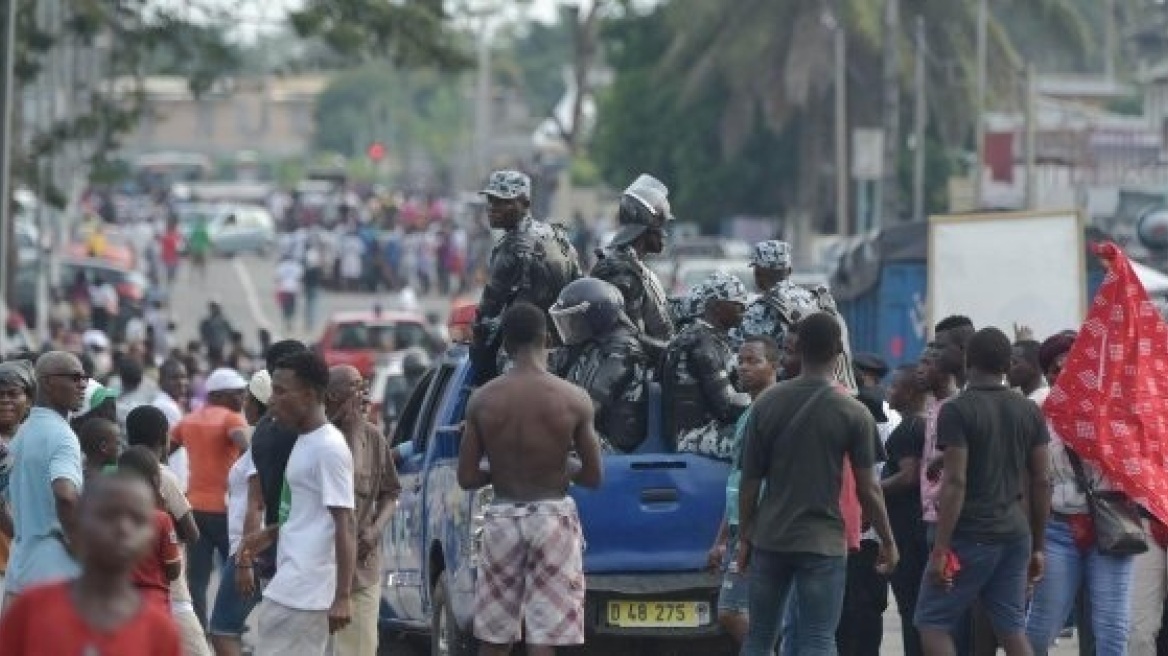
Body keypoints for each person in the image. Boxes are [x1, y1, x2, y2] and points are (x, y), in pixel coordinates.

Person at [736, 313, 896, 656]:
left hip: (771, 539)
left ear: (798, 349)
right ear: (839, 352)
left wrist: (745, 535)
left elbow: (750, 480)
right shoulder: (852, 412)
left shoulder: (767, 404)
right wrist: (887, 540)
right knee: (819, 638)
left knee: (760, 637)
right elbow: (869, 488)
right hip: (823, 543)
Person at [457, 302, 603, 656]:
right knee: (544, 637)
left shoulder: (482, 400)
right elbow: (593, 475)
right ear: (548, 339)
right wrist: (560, 466)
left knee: (494, 637)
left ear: (505, 345)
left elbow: (467, 476)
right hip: (553, 519)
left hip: (502, 518)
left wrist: (501, 468)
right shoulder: (573, 399)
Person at [915, 328, 1052, 656]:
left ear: (967, 360)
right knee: (1011, 629)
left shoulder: (958, 410)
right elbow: (1043, 479)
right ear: (1007, 365)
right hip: (1015, 535)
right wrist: (1038, 547)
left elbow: (956, 482)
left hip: (970, 535)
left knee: (932, 622)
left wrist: (940, 550)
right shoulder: (1027, 410)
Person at [239, 351, 356, 656]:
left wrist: (343, 596)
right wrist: (273, 532)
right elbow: (312, 516)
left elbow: (346, 523)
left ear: (308, 395)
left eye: (281, 391)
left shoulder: (329, 448)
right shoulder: (305, 440)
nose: (273, 400)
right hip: (290, 584)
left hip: (305, 592)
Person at [1026, 331, 1133, 656]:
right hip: (1058, 529)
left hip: (1111, 525)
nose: (1061, 373)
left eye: (1069, 364)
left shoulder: (1115, 401)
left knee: (1112, 629)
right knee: (1040, 630)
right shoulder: (1039, 406)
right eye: (1053, 368)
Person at [0, 472, 183, 655]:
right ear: (78, 522)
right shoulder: (32, 609)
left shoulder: (160, 631)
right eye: (108, 515)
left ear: (150, 537)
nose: (123, 528)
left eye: (137, 519)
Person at [469, 170, 581, 385]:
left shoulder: (512, 245)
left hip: (520, 354)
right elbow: (578, 285)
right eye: (491, 200)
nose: (492, 208)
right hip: (565, 352)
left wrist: (478, 359)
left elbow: (488, 310)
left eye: (503, 201)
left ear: (525, 202)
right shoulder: (558, 237)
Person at [707, 335, 779, 646]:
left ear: (773, 367)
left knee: (733, 611)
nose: (743, 367)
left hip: (758, 526)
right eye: (741, 360)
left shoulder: (773, 411)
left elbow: (763, 479)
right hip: (741, 525)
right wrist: (722, 538)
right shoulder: (750, 411)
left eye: (754, 361)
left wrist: (748, 533)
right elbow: (739, 479)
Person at [325, 365, 401, 656]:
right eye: (355, 386)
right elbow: (349, 484)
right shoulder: (318, 438)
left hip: (362, 571)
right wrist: (354, 429)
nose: (364, 392)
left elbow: (391, 493)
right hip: (321, 569)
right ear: (332, 395)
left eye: (365, 384)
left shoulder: (374, 437)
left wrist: (377, 529)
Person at [3, 352, 87, 611]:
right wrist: (79, 545)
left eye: (84, 377)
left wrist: (24, 533)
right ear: (49, 383)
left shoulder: (21, 435)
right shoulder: (62, 436)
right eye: (75, 377)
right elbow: (65, 496)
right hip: (55, 575)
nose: (82, 384)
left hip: (19, 570)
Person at [125, 404, 208, 656]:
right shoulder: (164, 477)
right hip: (172, 594)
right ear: (165, 437)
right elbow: (192, 533)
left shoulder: (119, 474)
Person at [170, 366, 250, 626]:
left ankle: (202, 629)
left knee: (197, 578)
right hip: (225, 512)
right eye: (237, 393)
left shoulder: (189, 420)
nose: (242, 399)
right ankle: (230, 627)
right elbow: (242, 442)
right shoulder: (231, 419)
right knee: (237, 573)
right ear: (220, 395)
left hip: (194, 510)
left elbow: (164, 449)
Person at [735, 240, 858, 391]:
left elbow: (741, 354)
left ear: (757, 273)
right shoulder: (818, 300)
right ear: (789, 271)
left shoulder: (759, 309)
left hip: (781, 393)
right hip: (825, 385)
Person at [548, 277, 650, 452]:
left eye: (574, 319)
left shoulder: (621, 352)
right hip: (590, 431)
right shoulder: (591, 343)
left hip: (613, 445)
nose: (570, 325)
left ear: (596, 317)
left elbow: (589, 407)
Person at [210, 371, 270, 656]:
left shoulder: (261, 447)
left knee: (222, 630)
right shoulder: (260, 440)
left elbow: (256, 504)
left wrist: (246, 559)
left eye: (247, 398)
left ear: (259, 405)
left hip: (251, 551)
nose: (243, 403)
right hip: (252, 548)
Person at [661, 271, 751, 460]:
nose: (745, 307)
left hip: (702, 430)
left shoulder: (703, 337)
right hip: (691, 436)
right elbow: (727, 407)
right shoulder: (702, 343)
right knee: (762, 438)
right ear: (718, 307)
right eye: (738, 303)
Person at [589, 174, 675, 363]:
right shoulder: (620, 273)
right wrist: (673, 352)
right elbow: (629, 338)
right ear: (646, 228)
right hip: (630, 376)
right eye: (661, 227)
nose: (665, 234)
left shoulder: (634, 265)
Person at [243, 340, 309, 585]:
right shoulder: (307, 429)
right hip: (304, 555)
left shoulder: (263, 429)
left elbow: (256, 501)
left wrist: (248, 556)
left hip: (277, 553)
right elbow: (257, 501)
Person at [881, 364, 929, 656]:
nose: (889, 392)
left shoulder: (908, 428)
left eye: (894, 387)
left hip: (907, 531)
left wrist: (871, 490)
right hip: (920, 527)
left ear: (909, 392)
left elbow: (908, 476)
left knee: (911, 607)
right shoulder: (927, 423)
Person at [118, 446, 183, 609]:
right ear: (155, 480)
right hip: (154, 604)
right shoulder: (161, 519)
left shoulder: (109, 516)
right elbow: (173, 570)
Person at [0, 360, 35, 591]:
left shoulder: (38, 441)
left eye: (13, 394)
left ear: (29, 400)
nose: (5, 401)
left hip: (27, 564)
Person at [276, 252, 305, 334]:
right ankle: (290, 321)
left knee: (285, 307)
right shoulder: (297, 266)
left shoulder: (281, 266)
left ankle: (286, 320)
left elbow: (278, 278)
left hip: (284, 288)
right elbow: (300, 278)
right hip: (293, 289)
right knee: (292, 307)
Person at [200, 302, 234, 368]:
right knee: (212, 363)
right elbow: (203, 334)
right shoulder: (206, 322)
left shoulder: (224, 321)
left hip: (222, 346)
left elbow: (230, 333)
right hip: (211, 347)